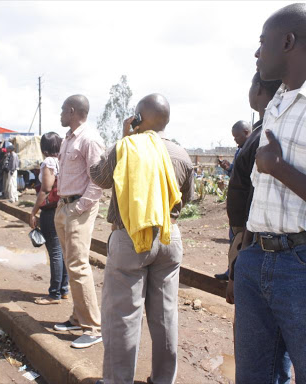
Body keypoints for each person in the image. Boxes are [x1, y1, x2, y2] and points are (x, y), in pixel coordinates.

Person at [234, 4, 306, 383]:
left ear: (288, 42)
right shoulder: (276, 102)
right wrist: (244, 251)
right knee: (255, 375)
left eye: (263, 43)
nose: (257, 52)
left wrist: (278, 168)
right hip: (256, 259)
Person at [90, 94, 194, 384]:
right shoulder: (182, 155)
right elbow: (185, 198)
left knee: (123, 315)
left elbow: (99, 176)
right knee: (166, 315)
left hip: (131, 236)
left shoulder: (126, 147)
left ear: (137, 118)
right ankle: (163, 380)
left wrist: (121, 138)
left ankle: (116, 380)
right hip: (169, 236)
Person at [225, 72, 282, 305]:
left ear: (258, 89)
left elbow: (252, 193)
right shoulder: (261, 129)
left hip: (250, 238)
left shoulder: (263, 133)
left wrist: (243, 248)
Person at [53, 94, 104, 349]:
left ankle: (94, 328)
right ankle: (77, 317)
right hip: (66, 206)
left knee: (78, 265)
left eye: (63, 110)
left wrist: (79, 207)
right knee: (72, 264)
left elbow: (99, 180)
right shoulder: (69, 139)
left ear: (72, 111)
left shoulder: (90, 139)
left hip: (78, 208)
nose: (60, 114)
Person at [29, 132, 69, 305]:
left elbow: (45, 190)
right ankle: (64, 289)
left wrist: (33, 211)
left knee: (54, 251)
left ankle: (54, 294)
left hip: (50, 211)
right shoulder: (64, 160)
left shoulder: (49, 163)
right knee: (63, 251)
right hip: (65, 208)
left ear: (44, 148)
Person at [215, 120, 253, 281]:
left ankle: (237, 273)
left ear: (246, 132)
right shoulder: (241, 150)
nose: (235, 140)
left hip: (245, 208)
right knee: (234, 240)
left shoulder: (251, 150)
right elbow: (238, 177)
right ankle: (231, 270)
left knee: (241, 241)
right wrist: (229, 168)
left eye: (237, 136)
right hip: (236, 209)